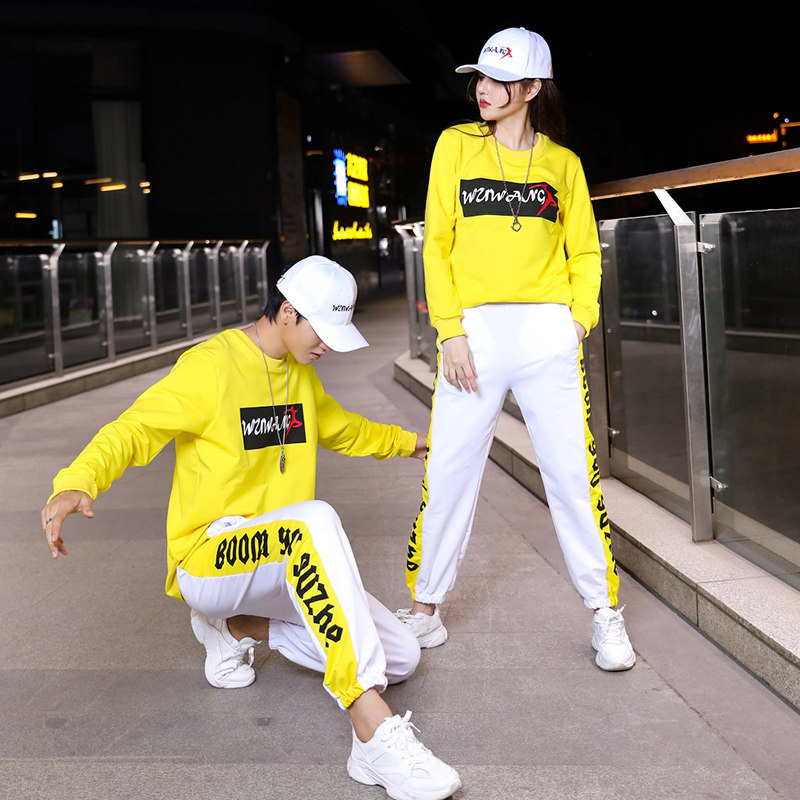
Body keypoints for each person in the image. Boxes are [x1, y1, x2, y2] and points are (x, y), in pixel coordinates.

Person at [41, 255, 462, 800]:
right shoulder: (211, 366)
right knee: (315, 520)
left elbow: (341, 428)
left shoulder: (301, 374)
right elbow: (135, 428)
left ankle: (239, 629)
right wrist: (77, 482)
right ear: (287, 312)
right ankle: (371, 729)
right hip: (209, 556)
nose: (327, 346)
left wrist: (412, 443)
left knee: (401, 656)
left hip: (280, 560)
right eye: (321, 331)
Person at [396, 27, 636, 672]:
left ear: (531, 88)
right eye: (480, 77)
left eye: (500, 80)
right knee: (449, 471)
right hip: (473, 334)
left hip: (546, 333)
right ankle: (425, 608)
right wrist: (449, 330)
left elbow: (584, 251)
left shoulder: (563, 164)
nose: (484, 88)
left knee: (572, 476)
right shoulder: (455, 145)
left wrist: (576, 321)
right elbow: (437, 243)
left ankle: (604, 613)